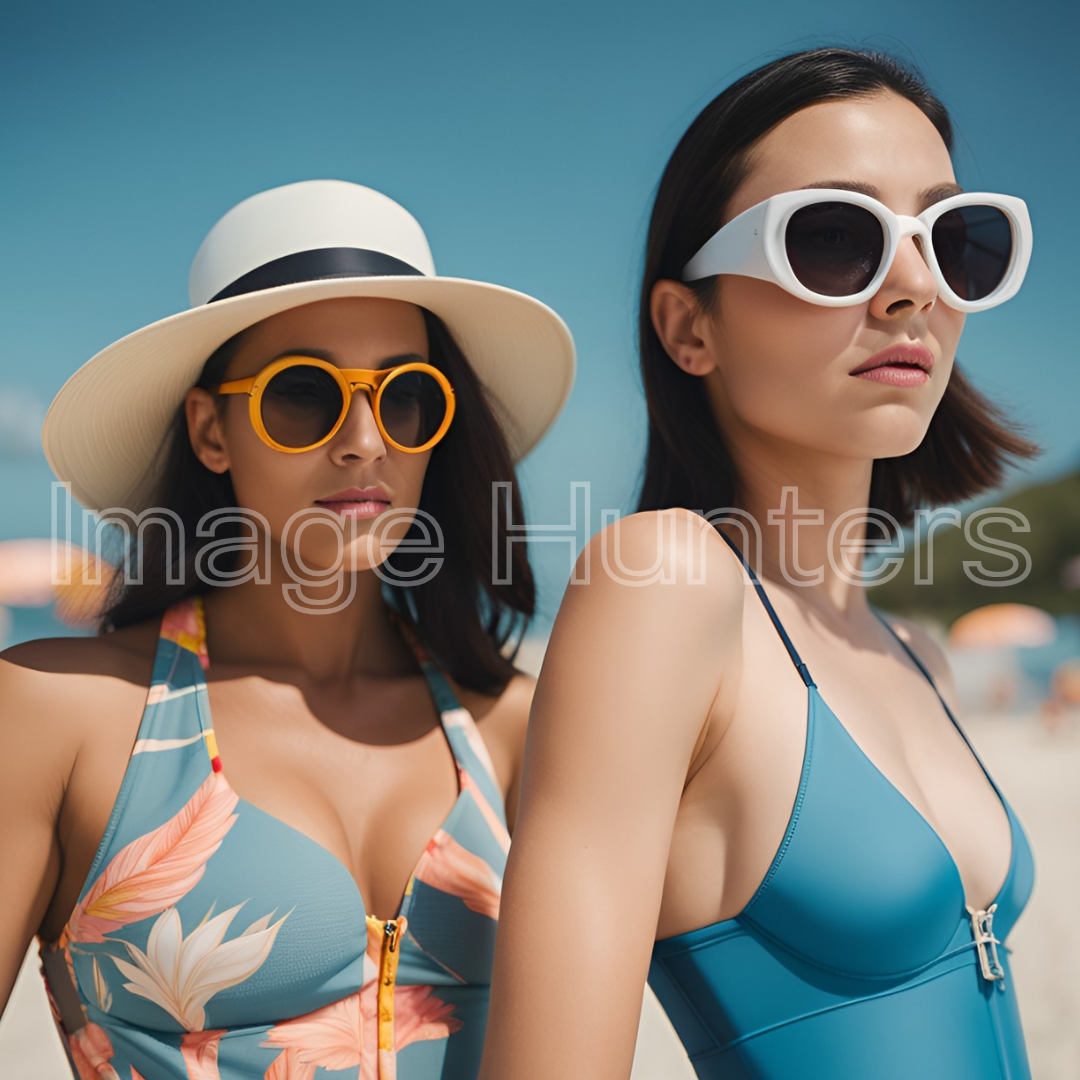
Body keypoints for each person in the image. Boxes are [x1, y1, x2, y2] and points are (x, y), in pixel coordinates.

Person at [478, 48, 1038, 1080]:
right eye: (835, 239)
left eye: (954, 239)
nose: (914, 287)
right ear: (689, 327)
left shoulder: (919, 655)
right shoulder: (664, 588)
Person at [0, 179, 574, 1080]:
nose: (362, 440)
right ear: (210, 431)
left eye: (406, 397)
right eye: (304, 394)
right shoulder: (59, 712)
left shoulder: (515, 728)